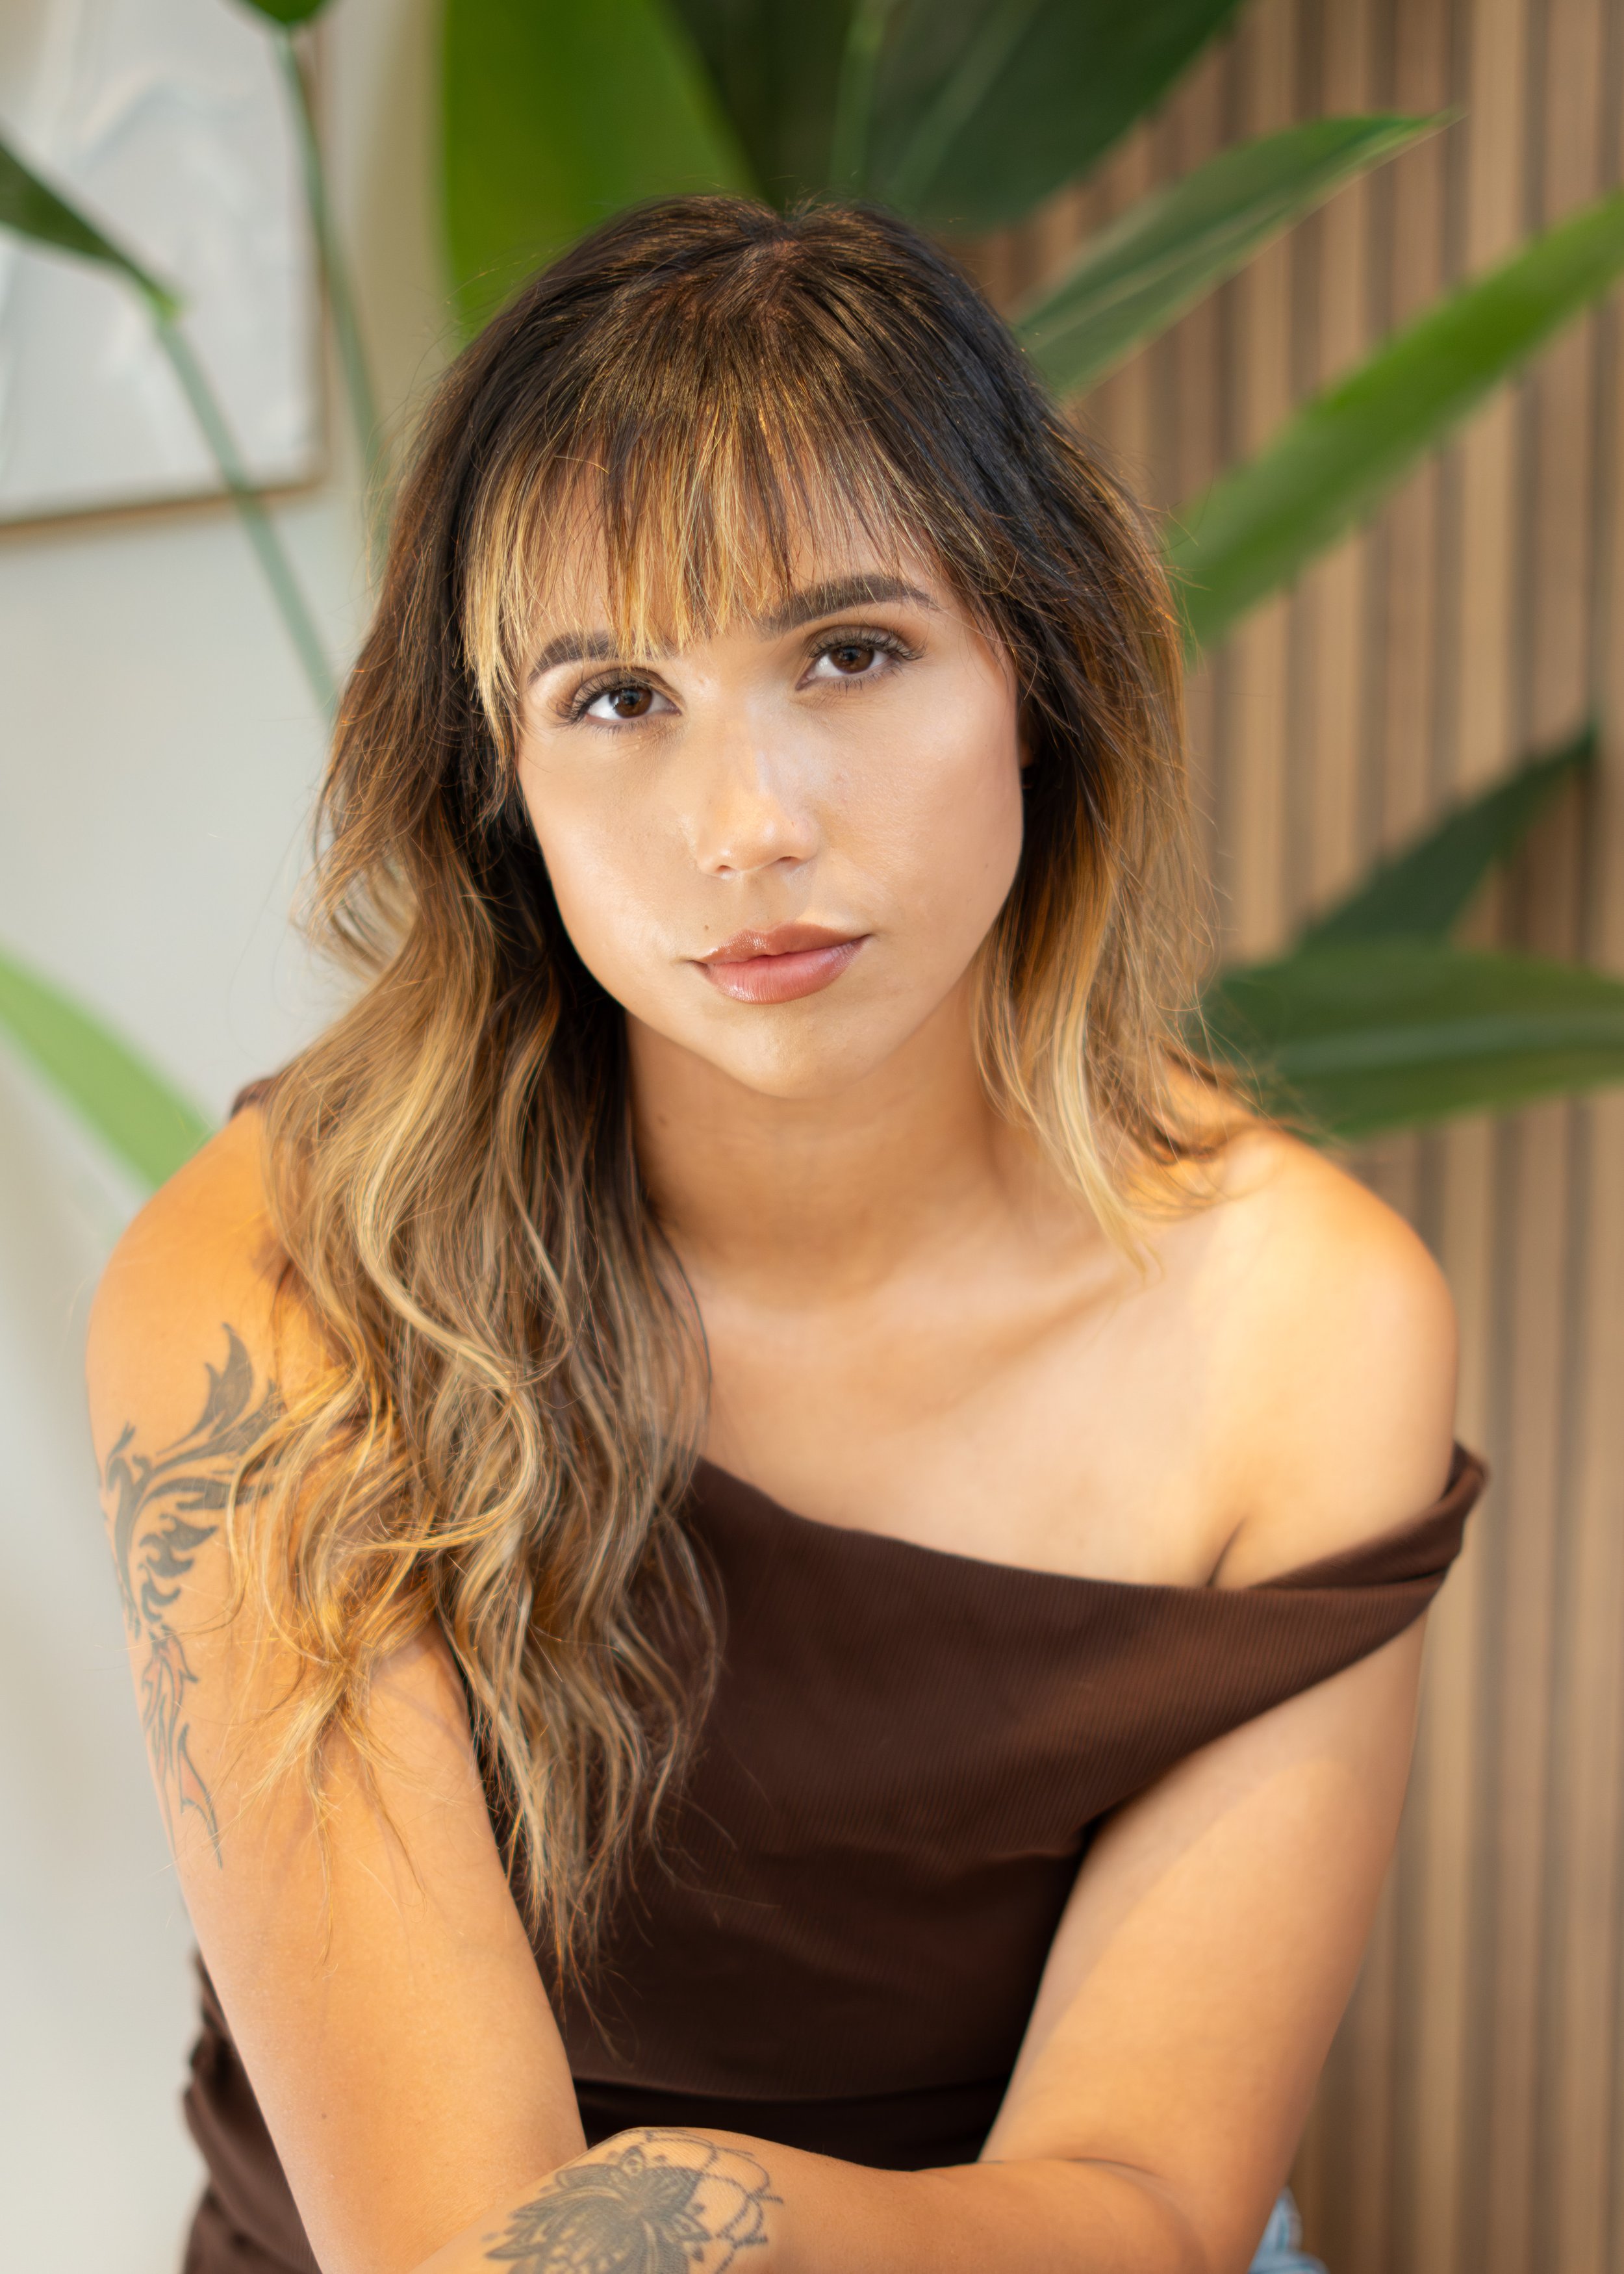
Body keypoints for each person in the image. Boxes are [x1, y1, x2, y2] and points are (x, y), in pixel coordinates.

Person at [87, 197, 1480, 2274]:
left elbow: (1146, 2200)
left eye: (849, 651)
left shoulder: (1299, 1327)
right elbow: (443, 2250)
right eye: (616, 697)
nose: (747, 821)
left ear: (1039, 674)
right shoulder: (285, 1284)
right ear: (505, 790)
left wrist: (705, 2213)